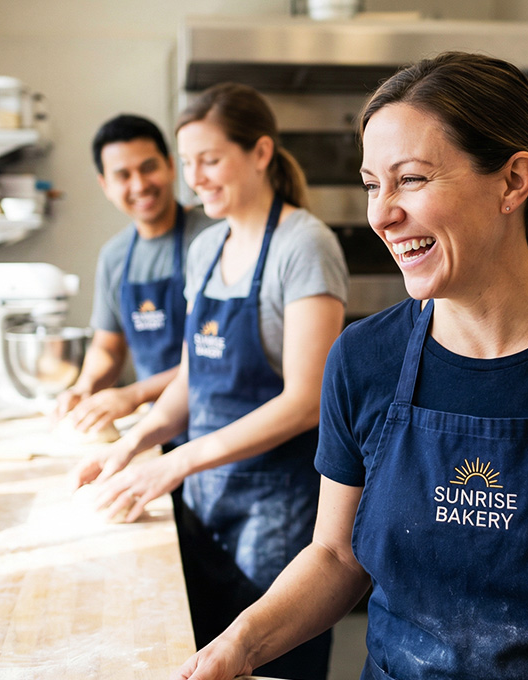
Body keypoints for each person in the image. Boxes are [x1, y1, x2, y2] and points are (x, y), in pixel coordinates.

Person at [170, 52, 528, 680]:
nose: (381, 213)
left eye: (412, 180)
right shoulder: (364, 360)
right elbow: (337, 556)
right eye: (373, 183)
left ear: (512, 182)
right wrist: (240, 646)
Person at [70, 83, 348, 680]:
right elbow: (196, 378)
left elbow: (305, 402)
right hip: (205, 502)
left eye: (211, 159)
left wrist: (175, 464)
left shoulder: (304, 246)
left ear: (261, 152)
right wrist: (131, 445)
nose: (195, 177)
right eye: (188, 161)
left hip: (278, 510)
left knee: (275, 667)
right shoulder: (207, 248)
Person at [54, 114, 216, 440]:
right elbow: (108, 347)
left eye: (148, 167)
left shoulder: (214, 238)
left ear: (171, 166)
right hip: (157, 431)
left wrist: (133, 394)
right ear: (105, 185)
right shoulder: (115, 257)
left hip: (218, 427)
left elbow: (215, 355)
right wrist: (85, 387)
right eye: (123, 175)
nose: (140, 185)